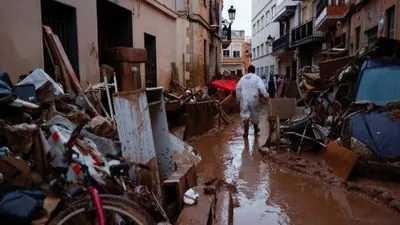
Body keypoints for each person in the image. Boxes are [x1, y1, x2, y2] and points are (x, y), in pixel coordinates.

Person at [236, 65, 269, 138]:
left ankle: (246, 132)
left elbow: (237, 88)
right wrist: (266, 95)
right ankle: (256, 131)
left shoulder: (242, 78)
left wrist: (238, 99)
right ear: (254, 71)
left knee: (245, 115)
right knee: (255, 114)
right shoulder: (257, 78)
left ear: (248, 70)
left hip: (244, 99)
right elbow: (262, 88)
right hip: (254, 98)